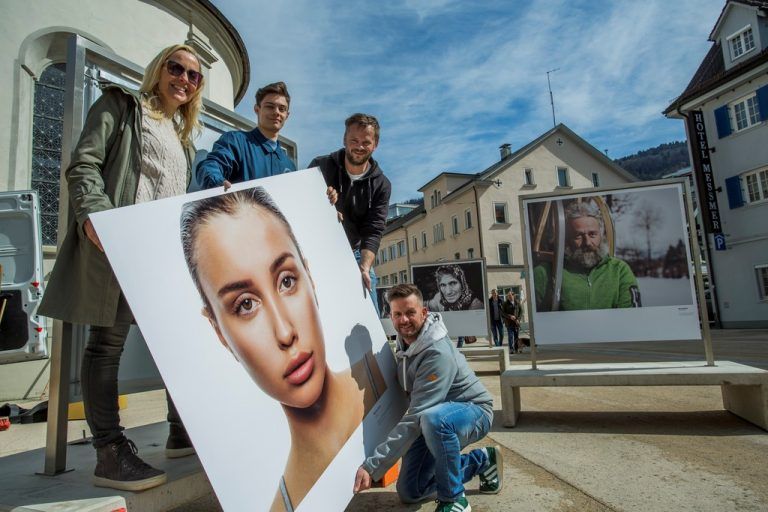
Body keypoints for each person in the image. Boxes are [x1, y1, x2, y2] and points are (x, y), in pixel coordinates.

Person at [38, 44, 205, 491]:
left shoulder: (183, 138)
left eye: (194, 75)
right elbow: (84, 163)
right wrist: (95, 216)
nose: (184, 79)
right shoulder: (122, 106)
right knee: (106, 346)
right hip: (119, 245)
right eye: (176, 67)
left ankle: (180, 431)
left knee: (177, 344)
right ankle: (110, 452)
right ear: (159, 68)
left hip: (159, 256)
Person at [179, 186, 387, 512]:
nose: (285, 333)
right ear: (220, 333)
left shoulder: (385, 378)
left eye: (287, 281)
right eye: (245, 304)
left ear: (310, 279)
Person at [352, 284, 502, 512]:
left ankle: (454, 499)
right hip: (430, 419)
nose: (404, 320)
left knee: (434, 420)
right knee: (411, 491)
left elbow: (417, 415)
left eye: (410, 312)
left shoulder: (437, 352)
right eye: (397, 314)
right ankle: (481, 460)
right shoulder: (403, 346)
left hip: (472, 411)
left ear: (424, 312)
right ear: (390, 316)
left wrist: (372, 466)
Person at [309, 114, 391, 311]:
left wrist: (364, 267)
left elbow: (374, 230)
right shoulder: (321, 166)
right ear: (344, 140)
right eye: (354, 140)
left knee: (370, 309)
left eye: (366, 142)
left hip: (354, 253)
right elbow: (302, 203)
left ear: (375, 144)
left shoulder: (382, 184)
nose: (359, 146)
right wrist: (324, 210)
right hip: (318, 251)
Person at [534, 201, 641, 311]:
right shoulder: (545, 273)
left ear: (601, 235)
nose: (587, 242)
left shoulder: (619, 271)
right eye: (578, 236)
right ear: (566, 239)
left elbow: (631, 317)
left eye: (592, 234)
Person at [196, 81, 296, 189]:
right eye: (270, 106)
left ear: (287, 115)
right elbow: (212, 165)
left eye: (282, 109)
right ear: (257, 109)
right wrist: (217, 182)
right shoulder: (235, 141)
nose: (276, 112)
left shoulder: (290, 166)